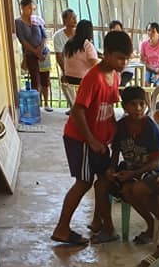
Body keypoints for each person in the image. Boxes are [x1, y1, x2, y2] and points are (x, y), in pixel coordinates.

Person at [51, 31, 132, 245]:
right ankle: (62, 228)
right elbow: (78, 111)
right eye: (119, 57)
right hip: (82, 140)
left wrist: (113, 136)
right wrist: (92, 140)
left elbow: (109, 109)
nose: (123, 62)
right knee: (84, 182)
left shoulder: (114, 76)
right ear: (105, 54)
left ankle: (100, 223)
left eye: (126, 58)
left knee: (104, 180)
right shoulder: (93, 78)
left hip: (100, 142)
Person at [93, 86, 159, 245]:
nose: (138, 108)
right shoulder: (121, 127)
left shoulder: (151, 129)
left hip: (149, 172)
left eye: (141, 104)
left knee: (131, 189)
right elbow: (116, 153)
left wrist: (134, 174)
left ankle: (152, 226)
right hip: (129, 170)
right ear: (124, 107)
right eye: (133, 104)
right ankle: (108, 229)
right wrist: (111, 169)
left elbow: (155, 162)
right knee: (100, 185)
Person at [15, 0, 51, 100]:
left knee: (45, 79)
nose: (31, 11)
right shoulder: (18, 22)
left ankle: (46, 102)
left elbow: (44, 36)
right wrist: (35, 52)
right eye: (29, 8)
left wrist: (40, 50)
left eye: (33, 9)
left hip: (43, 53)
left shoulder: (37, 19)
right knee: (35, 80)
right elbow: (23, 40)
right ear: (22, 8)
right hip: (30, 55)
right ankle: (37, 103)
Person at [62, 20, 99, 87]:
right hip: (83, 78)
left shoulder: (69, 43)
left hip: (69, 77)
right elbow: (94, 64)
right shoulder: (87, 44)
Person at [53, 9, 77, 107]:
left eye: (75, 17)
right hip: (68, 67)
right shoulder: (58, 36)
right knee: (64, 81)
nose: (75, 20)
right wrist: (66, 72)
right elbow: (59, 56)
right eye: (72, 18)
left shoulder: (79, 34)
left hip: (82, 67)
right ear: (65, 21)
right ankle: (74, 107)